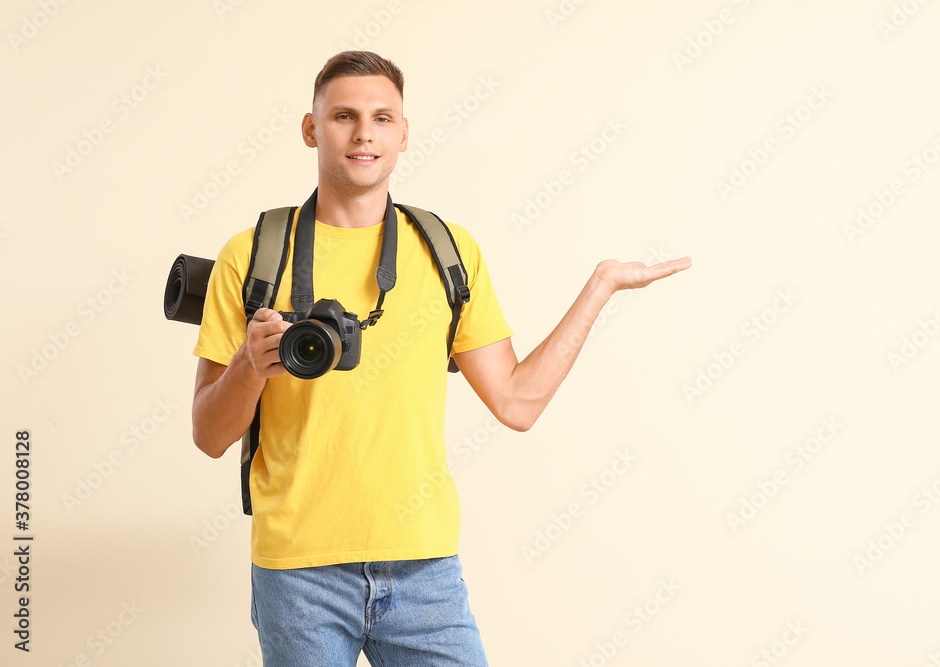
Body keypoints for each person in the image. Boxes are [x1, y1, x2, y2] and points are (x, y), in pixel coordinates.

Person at [191, 50, 691, 666]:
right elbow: (209, 436)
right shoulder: (253, 255)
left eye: (382, 117)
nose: (364, 133)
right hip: (298, 574)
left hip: (424, 570)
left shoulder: (448, 251)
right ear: (311, 128)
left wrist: (601, 287)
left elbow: (517, 403)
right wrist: (250, 365)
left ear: (403, 132)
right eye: (343, 115)